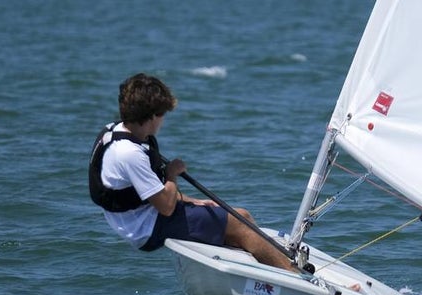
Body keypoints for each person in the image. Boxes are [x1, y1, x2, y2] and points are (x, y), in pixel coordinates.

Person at [90, 72, 298, 273]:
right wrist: (172, 174)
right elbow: (165, 207)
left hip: (139, 217)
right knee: (239, 223)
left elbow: (147, 193)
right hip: (146, 227)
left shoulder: (116, 131)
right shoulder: (129, 153)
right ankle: (294, 276)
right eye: (162, 114)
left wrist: (194, 201)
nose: (163, 120)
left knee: (238, 215)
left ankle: (266, 269)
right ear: (152, 116)